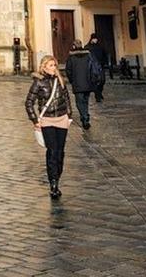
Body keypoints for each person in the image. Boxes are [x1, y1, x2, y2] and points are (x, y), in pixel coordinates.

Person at [25, 54, 73, 199]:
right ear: (44, 67)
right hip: (47, 120)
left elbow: (66, 98)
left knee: (60, 152)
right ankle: (53, 183)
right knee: (52, 151)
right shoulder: (38, 82)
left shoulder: (60, 80)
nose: (53, 68)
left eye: (54, 65)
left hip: (62, 119)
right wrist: (35, 120)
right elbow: (29, 102)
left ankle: (57, 176)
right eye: (51, 65)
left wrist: (69, 115)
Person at [64, 39, 101, 129]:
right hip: (88, 82)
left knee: (79, 102)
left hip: (77, 83)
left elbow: (68, 70)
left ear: (74, 46)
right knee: (85, 101)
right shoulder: (88, 55)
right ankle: (86, 116)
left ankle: (84, 117)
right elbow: (94, 67)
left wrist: (71, 80)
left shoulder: (71, 57)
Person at [86, 33, 109, 102]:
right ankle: (97, 95)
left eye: (96, 39)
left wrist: (104, 63)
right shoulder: (87, 47)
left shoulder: (100, 46)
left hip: (100, 66)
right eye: (94, 39)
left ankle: (99, 93)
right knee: (96, 82)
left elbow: (104, 55)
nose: (95, 40)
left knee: (102, 81)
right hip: (92, 67)